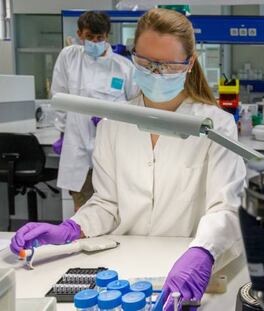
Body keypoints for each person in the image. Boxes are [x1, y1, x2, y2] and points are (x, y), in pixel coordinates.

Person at [10, 8, 246, 310]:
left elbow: (226, 206)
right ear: (133, 56)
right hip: (126, 270)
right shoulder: (113, 124)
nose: (156, 73)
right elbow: (107, 204)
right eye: (146, 63)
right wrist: (72, 228)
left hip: (190, 269)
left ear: (189, 64)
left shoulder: (215, 126)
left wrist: (204, 251)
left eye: (168, 65)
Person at [52, 11, 138, 211]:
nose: (95, 42)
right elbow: (59, 95)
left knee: (113, 210)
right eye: (90, 37)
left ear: (107, 36)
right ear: (80, 34)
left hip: (112, 148)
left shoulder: (124, 67)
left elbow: (136, 105)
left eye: (100, 38)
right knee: (81, 211)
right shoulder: (69, 57)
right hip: (77, 145)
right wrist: (62, 130)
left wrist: (110, 116)